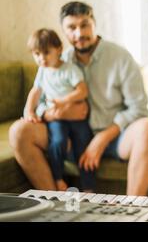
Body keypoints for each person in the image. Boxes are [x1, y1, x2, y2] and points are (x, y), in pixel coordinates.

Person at [9, 2, 148, 195]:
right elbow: (37, 101)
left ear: (94, 24)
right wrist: (52, 113)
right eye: (72, 28)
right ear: (63, 32)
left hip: (115, 137)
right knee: (18, 131)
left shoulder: (120, 57)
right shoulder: (55, 59)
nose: (79, 33)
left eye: (85, 25)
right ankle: (54, 203)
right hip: (69, 136)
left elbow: (138, 109)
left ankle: (134, 209)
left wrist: (102, 138)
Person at [24, 28, 95, 192]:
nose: (42, 59)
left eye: (46, 53)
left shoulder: (69, 69)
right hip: (56, 119)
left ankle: (89, 188)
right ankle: (58, 178)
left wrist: (63, 101)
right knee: (57, 142)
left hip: (77, 118)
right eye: (37, 54)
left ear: (59, 50)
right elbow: (35, 91)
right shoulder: (42, 71)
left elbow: (82, 91)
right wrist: (29, 111)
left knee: (83, 146)